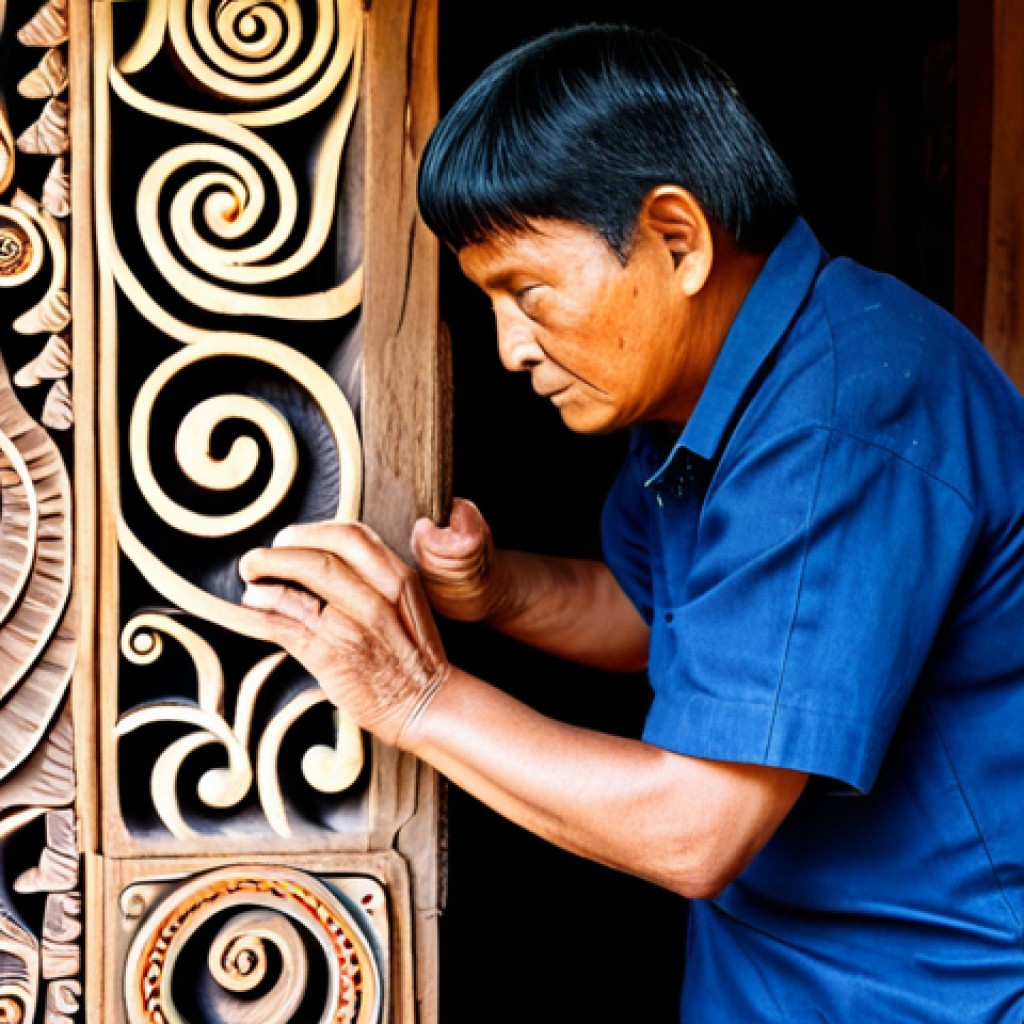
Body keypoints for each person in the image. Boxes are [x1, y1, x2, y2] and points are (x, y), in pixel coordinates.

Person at [237, 24, 1024, 1024]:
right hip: (777, 982)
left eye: (525, 291)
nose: (508, 348)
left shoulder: (843, 412)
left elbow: (695, 827)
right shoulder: (698, 393)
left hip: (923, 995)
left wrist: (419, 698)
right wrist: (499, 591)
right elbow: (663, 616)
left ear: (676, 239)